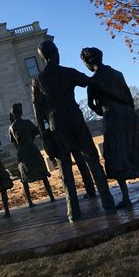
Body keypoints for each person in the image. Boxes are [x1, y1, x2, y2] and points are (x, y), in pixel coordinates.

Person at [32, 39, 116, 222]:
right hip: (74, 120)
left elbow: (38, 114)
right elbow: (92, 82)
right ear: (55, 53)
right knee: (93, 160)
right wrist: (106, 97)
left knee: (66, 171)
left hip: (57, 126)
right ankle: (108, 203)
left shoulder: (38, 80)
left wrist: (45, 137)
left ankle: (74, 213)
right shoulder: (67, 73)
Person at [80, 47, 139, 208]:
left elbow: (90, 104)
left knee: (116, 152)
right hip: (129, 115)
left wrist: (101, 109)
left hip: (112, 117)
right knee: (138, 147)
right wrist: (128, 110)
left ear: (88, 62)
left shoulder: (93, 81)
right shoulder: (117, 74)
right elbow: (129, 97)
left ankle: (126, 197)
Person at [8, 103, 55, 207]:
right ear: (20, 112)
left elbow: (13, 141)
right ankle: (51, 197)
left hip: (21, 150)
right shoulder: (27, 122)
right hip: (31, 148)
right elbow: (36, 131)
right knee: (42, 173)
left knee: (24, 177)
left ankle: (29, 201)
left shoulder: (11, 127)